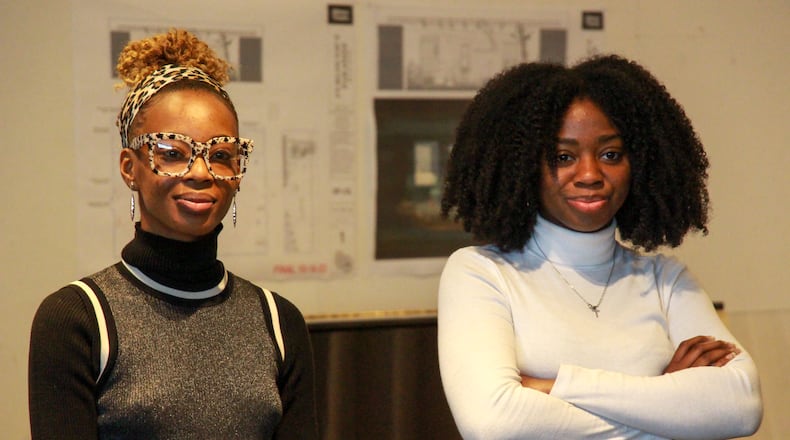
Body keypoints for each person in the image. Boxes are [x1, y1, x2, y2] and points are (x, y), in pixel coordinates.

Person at [437, 55, 762, 439]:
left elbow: (741, 406)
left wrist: (554, 385)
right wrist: (665, 405)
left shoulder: (666, 279)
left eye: (611, 154)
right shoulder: (481, 273)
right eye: (563, 157)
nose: (590, 174)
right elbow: (494, 424)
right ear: (523, 166)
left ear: (640, 162)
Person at [28, 29, 318, 439]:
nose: (200, 173)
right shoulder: (78, 319)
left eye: (220, 155)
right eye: (172, 153)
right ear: (129, 167)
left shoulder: (277, 321)